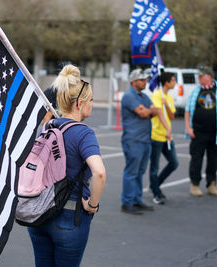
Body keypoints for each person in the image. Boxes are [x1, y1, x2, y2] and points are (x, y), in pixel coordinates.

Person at [27, 65, 106, 267]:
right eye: (90, 101)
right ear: (79, 104)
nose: (92, 104)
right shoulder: (83, 133)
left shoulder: (47, 127)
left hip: (39, 214)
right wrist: (93, 205)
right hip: (70, 218)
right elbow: (99, 173)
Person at [185, 66, 217, 197]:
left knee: (214, 159)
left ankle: (211, 184)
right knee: (196, 158)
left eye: (202, 76)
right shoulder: (196, 91)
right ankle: (194, 185)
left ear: (209, 76)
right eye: (199, 76)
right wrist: (188, 127)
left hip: (216, 131)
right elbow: (187, 110)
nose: (199, 78)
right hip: (198, 131)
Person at [120, 69, 157, 215]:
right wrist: (149, 111)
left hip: (145, 139)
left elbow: (154, 111)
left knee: (140, 171)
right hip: (133, 139)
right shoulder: (129, 96)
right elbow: (143, 113)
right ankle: (127, 202)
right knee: (132, 171)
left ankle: (136, 199)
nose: (145, 82)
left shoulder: (144, 97)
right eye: (141, 80)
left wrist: (149, 111)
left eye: (145, 79)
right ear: (133, 82)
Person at [149, 72, 179, 205]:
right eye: (173, 80)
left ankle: (155, 185)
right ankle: (156, 193)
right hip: (156, 135)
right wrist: (167, 129)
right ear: (167, 82)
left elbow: (172, 116)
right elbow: (159, 114)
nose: (175, 83)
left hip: (167, 137)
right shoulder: (156, 95)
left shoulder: (168, 97)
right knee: (154, 167)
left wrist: (166, 104)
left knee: (174, 162)